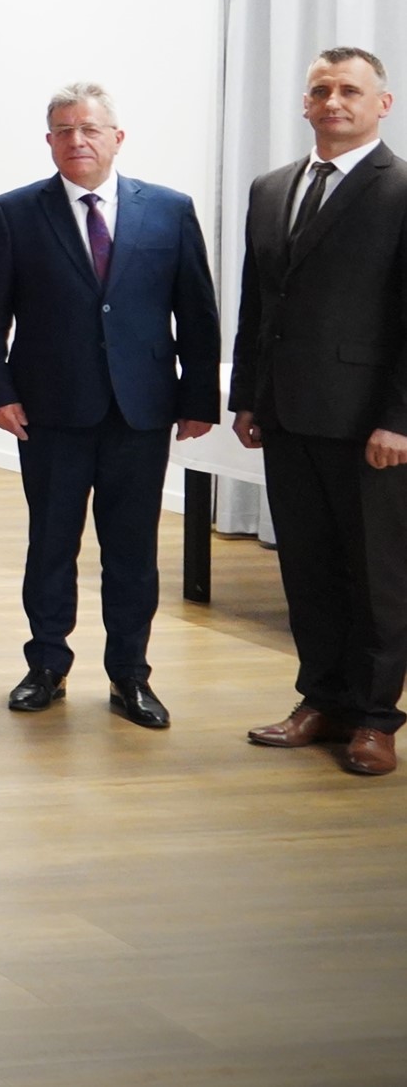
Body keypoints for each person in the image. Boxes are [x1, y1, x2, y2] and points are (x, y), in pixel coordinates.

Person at [0, 83, 219, 729]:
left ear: (117, 138)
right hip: (49, 410)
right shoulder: (13, 213)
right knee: (51, 542)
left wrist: (198, 397)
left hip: (141, 411)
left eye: (89, 129)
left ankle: (130, 675)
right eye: (63, 130)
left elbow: (196, 312)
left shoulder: (169, 210)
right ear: (49, 140)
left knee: (132, 550)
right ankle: (46, 665)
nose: (76, 140)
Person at [230, 47, 407, 779]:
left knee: (377, 576)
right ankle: (322, 699)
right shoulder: (272, 187)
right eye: (321, 90)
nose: (333, 101)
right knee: (308, 570)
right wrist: (247, 396)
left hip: (371, 425)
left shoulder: (401, 189)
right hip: (288, 415)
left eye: (349, 90)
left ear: (381, 104)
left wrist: (400, 418)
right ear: (305, 103)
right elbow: (258, 302)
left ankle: (374, 718)